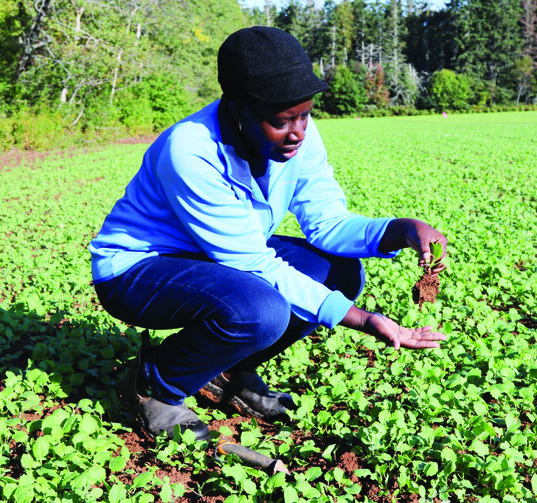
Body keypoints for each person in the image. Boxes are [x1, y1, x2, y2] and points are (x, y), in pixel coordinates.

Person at [90, 26, 448, 441]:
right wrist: (364, 320)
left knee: (339, 273)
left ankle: (227, 371)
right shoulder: (190, 150)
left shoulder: (300, 138)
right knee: (259, 309)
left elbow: (328, 223)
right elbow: (254, 264)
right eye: (281, 121)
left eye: (305, 115)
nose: (298, 131)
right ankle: (155, 386)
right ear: (239, 110)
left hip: (217, 256)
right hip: (138, 270)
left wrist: (401, 230)